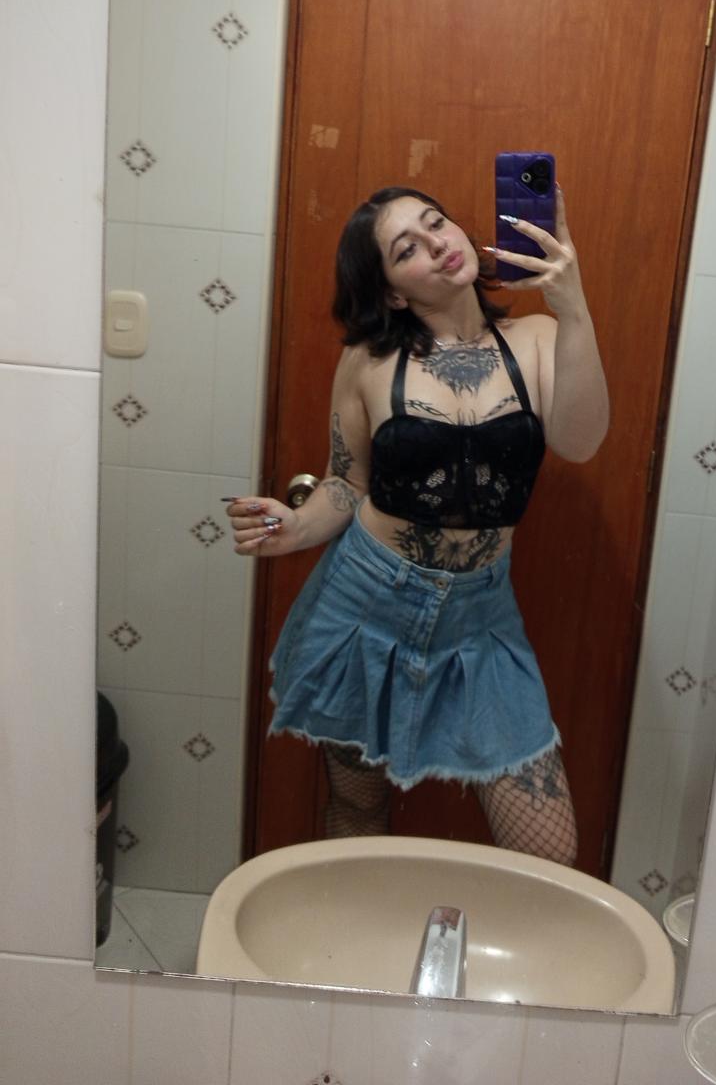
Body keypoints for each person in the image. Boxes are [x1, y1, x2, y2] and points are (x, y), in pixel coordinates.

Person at [226, 184, 608, 867]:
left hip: (481, 622)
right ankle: (355, 933)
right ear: (394, 293)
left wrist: (572, 305)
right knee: (358, 807)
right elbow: (348, 483)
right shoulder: (367, 362)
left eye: (437, 223)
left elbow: (580, 442)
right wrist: (294, 527)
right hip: (365, 608)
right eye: (407, 249)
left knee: (549, 853)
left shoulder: (539, 339)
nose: (436, 243)